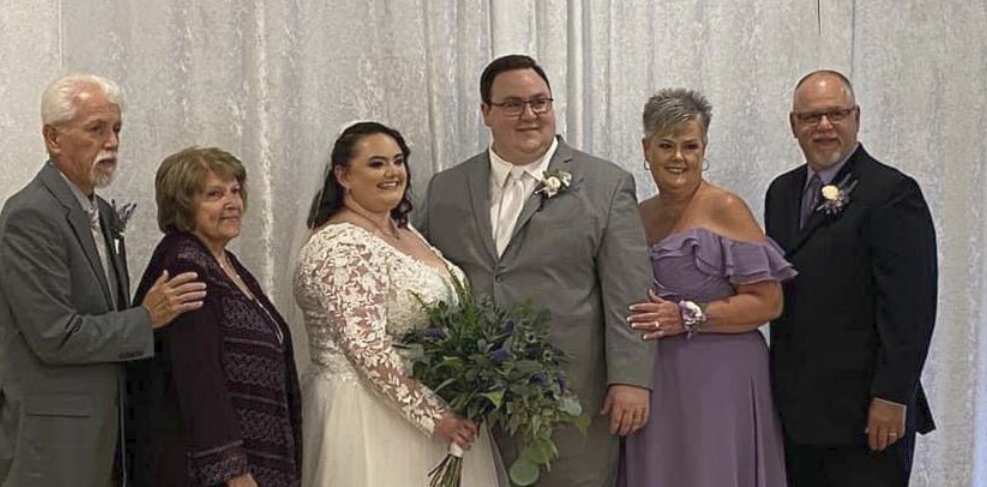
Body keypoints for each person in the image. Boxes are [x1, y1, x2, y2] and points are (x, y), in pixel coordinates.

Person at [420, 54, 655, 486]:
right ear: (485, 112)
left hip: (571, 398)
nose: (529, 114)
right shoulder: (444, 188)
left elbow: (630, 293)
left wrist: (631, 379)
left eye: (539, 102)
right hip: (470, 405)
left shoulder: (605, 183)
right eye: (512, 104)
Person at [0, 74, 206, 487]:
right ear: (53, 138)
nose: (112, 142)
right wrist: (145, 318)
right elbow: (54, 335)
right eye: (96, 129)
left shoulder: (100, 212)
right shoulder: (29, 216)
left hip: (104, 435)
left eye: (117, 129)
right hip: (51, 442)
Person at [293, 122, 502, 486]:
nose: (392, 173)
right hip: (367, 417)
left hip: (427, 407)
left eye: (398, 161)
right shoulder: (342, 245)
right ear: (343, 175)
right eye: (376, 164)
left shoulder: (406, 232)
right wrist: (435, 418)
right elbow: (365, 349)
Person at [765, 70, 937, 486]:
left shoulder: (893, 193)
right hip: (797, 413)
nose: (823, 126)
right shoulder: (781, 192)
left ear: (856, 117)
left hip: (867, 416)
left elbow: (911, 308)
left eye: (835, 114)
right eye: (810, 117)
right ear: (794, 125)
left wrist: (892, 395)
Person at [619, 88, 795, 487]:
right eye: (666, 145)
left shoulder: (726, 208)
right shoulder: (638, 215)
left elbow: (768, 303)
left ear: (704, 148)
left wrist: (686, 315)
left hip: (720, 378)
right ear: (646, 149)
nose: (678, 157)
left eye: (689, 145)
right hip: (658, 378)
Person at [127, 147, 302, 487]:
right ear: (182, 204)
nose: (232, 202)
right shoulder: (184, 265)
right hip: (210, 474)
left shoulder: (224, 262)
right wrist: (232, 471)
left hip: (253, 459)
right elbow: (197, 376)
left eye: (235, 190)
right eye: (214, 194)